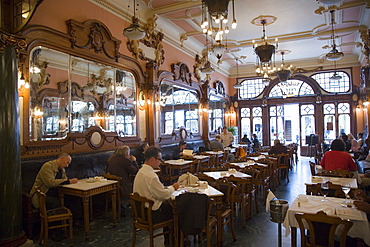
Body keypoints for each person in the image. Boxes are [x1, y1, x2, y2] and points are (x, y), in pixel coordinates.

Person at [133, 146, 180, 245]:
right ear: (152, 159)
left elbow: (156, 191)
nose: (161, 162)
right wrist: (174, 187)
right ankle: (175, 242)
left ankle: (170, 241)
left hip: (141, 213)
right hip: (151, 214)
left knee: (170, 207)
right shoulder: (151, 176)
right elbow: (163, 196)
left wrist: (166, 189)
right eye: (159, 159)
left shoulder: (140, 172)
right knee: (178, 211)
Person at [107, 145, 139, 210]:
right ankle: (138, 207)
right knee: (139, 185)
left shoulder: (111, 158)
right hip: (122, 188)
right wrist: (134, 161)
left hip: (112, 187)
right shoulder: (125, 160)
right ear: (127, 153)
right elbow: (136, 172)